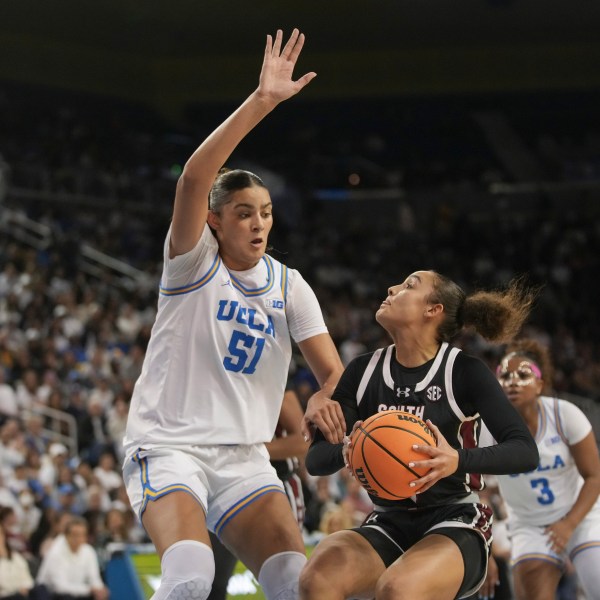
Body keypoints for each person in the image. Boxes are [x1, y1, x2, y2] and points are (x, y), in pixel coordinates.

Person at [121, 29, 344, 600]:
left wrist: (325, 397)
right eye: (244, 213)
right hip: (169, 447)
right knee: (192, 577)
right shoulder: (191, 263)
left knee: (298, 583)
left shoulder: (290, 287)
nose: (259, 224)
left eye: (266, 213)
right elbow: (196, 177)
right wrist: (262, 101)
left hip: (243, 457)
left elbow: (333, 375)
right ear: (216, 222)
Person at [298, 271, 540, 600]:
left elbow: (525, 451)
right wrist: (348, 450)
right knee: (317, 578)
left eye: (409, 285)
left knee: (399, 589)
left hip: (455, 518)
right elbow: (315, 459)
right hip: (388, 519)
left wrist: (458, 459)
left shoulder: (464, 371)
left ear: (433, 310)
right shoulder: (362, 371)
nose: (392, 287)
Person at [480, 338, 600, 600]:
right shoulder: (487, 431)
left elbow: (594, 477)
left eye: (523, 375)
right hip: (528, 525)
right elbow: (478, 494)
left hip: (581, 516)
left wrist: (569, 524)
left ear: (540, 384)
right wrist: (484, 550)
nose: (512, 381)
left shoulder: (565, 415)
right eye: (504, 376)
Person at [207, 387, 309, 600]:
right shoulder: (217, 383)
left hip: (278, 484)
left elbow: (302, 442)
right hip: (226, 485)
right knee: (213, 582)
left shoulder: (277, 384)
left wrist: (249, 451)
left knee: (288, 578)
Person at [34, 516, 109, 600]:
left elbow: (94, 578)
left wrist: (99, 589)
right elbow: (60, 587)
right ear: (66, 535)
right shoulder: (55, 552)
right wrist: (89, 589)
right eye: (75, 535)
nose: (78, 539)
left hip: (79, 592)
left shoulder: (88, 551)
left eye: (82, 535)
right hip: (51, 593)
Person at [0, 516, 34, 600]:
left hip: (21, 593)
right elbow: (4, 585)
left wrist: (24, 587)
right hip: (6, 596)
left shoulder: (15, 556)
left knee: (40, 588)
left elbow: (27, 579)